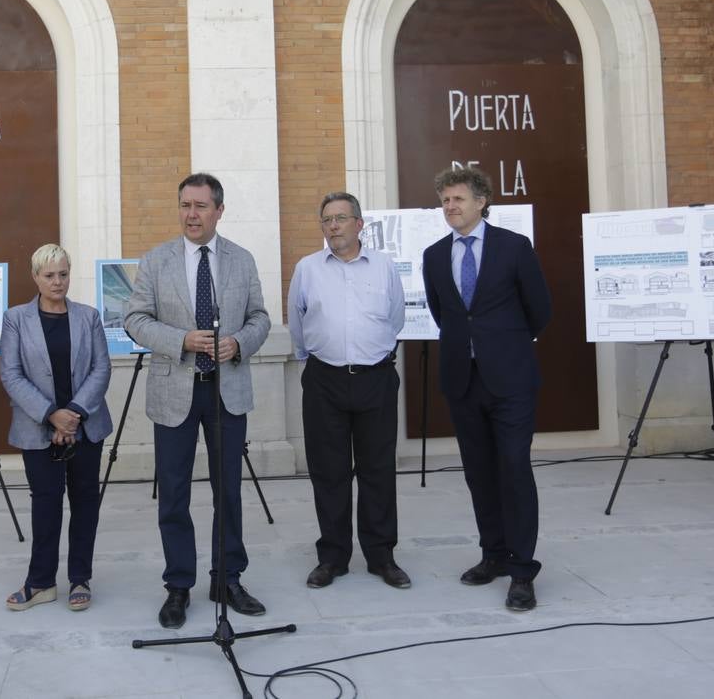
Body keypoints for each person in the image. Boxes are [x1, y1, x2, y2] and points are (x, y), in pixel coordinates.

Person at [125, 172, 271, 629]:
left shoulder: (242, 261)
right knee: (174, 493)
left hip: (226, 389)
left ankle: (227, 578)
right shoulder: (156, 261)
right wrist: (181, 339)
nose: (191, 214)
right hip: (174, 391)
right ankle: (178, 585)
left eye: (201, 206)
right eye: (185, 205)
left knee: (228, 490)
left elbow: (260, 318)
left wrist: (240, 343)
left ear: (219, 211)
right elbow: (134, 319)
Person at [420, 167, 551, 612]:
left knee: (514, 467)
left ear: (481, 201)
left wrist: (503, 345)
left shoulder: (514, 247)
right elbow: (445, 315)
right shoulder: (435, 255)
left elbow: (540, 310)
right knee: (479, 473)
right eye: (445, 201)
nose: (450, 207)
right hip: (463, 379)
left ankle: (521, 570)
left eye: (458, 199)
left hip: (511, 379)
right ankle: (492, 554)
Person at [287, 191, 408, 590]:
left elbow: (395, 318)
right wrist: (319, 359)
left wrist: (371, 352)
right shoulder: (307, 269)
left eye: (341, 218)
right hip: (325, 380)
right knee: (329, 472)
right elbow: (298, 325)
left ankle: (381, 556)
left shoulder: (384, 266)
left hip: (375, 378)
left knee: (377, 470)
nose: (334, 225)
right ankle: (333, 558)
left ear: (359, 224)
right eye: (327, 220)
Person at [0, 243, 113, 613]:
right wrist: (52, 414)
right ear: (35, 277)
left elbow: (101, 369)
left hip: (86, 425)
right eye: (49, 275)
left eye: (63, 273)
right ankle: (40, 583)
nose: (58, 281)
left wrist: (74, 413)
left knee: (84, 504)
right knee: (45, 505)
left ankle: (80, 578)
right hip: (38, 429)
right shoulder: (16, 318)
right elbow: (11, 375)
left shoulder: (88, 316)